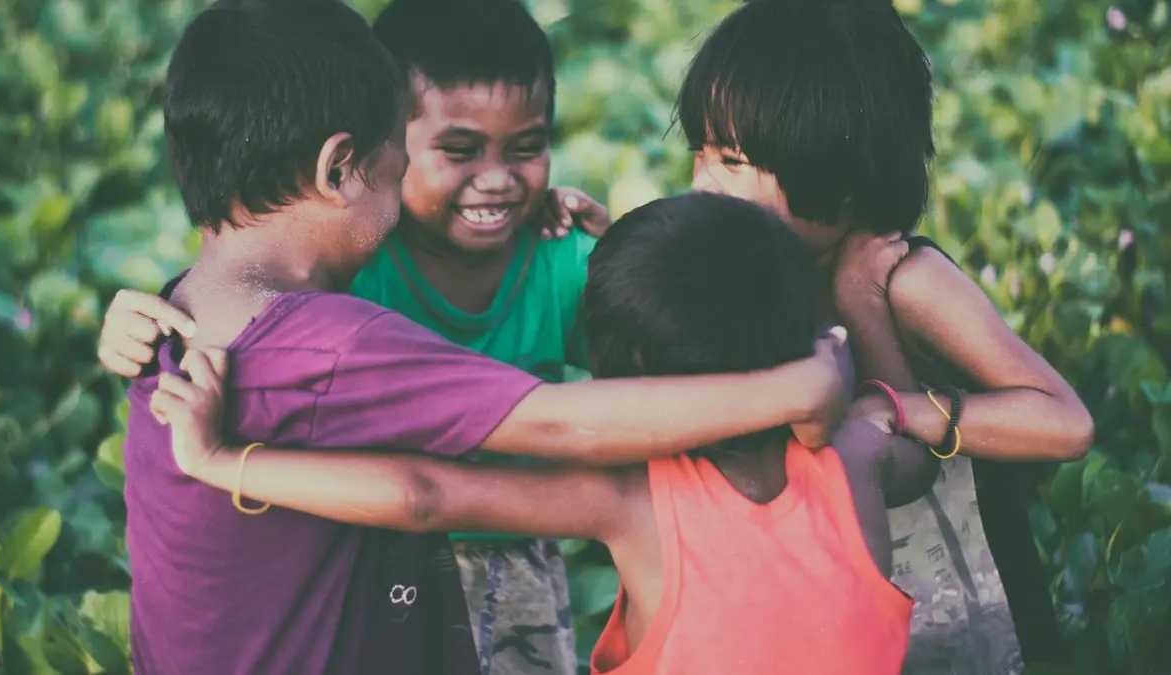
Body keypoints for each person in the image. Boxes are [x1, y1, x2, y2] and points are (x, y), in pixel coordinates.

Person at [123, 2, 849, 673]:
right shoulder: (331, 341)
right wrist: (795, 387)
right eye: (396, 158)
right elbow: (553, 425)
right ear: (339, 168)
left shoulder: (180, 313)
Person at [150, 193, 939, 675]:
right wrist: (843, 334)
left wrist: (222, 460)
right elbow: (914, 443)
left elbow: (420, 494)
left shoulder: (631, 499)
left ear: (626, 387)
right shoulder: (860, 456)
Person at [104, 0, 603, 671]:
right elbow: (255, 303)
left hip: (511, 553)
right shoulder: (350, 265)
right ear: (373, 152)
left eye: (526, 148)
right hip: (387, 550)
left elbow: (651, 352)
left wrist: (627, 249)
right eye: (457, 150)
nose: (497, 178)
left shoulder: (556, 258)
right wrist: (141, 321)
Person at [676, 1, 1094, 673]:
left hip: (972, 613)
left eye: (730, 159)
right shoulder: (752, 273)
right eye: (698, 151)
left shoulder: (910, 280)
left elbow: (1064, 423)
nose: (700, 183)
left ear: (842, 179)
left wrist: (904, 406)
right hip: (839, 621)